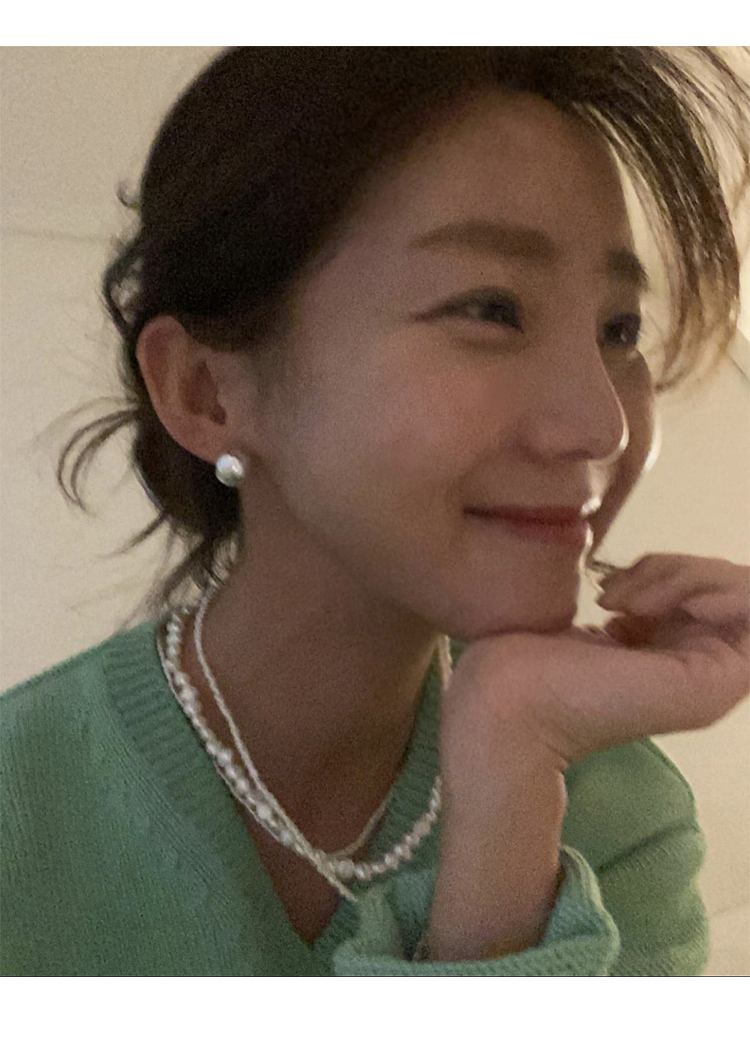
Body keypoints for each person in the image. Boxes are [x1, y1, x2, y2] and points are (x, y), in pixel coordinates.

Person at [2, 46, 749, 976]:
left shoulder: (616, 808)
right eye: (493, 308)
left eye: (619, 329)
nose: (604, 424)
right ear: (206, 391)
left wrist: (511, 776)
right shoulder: (23, 812)